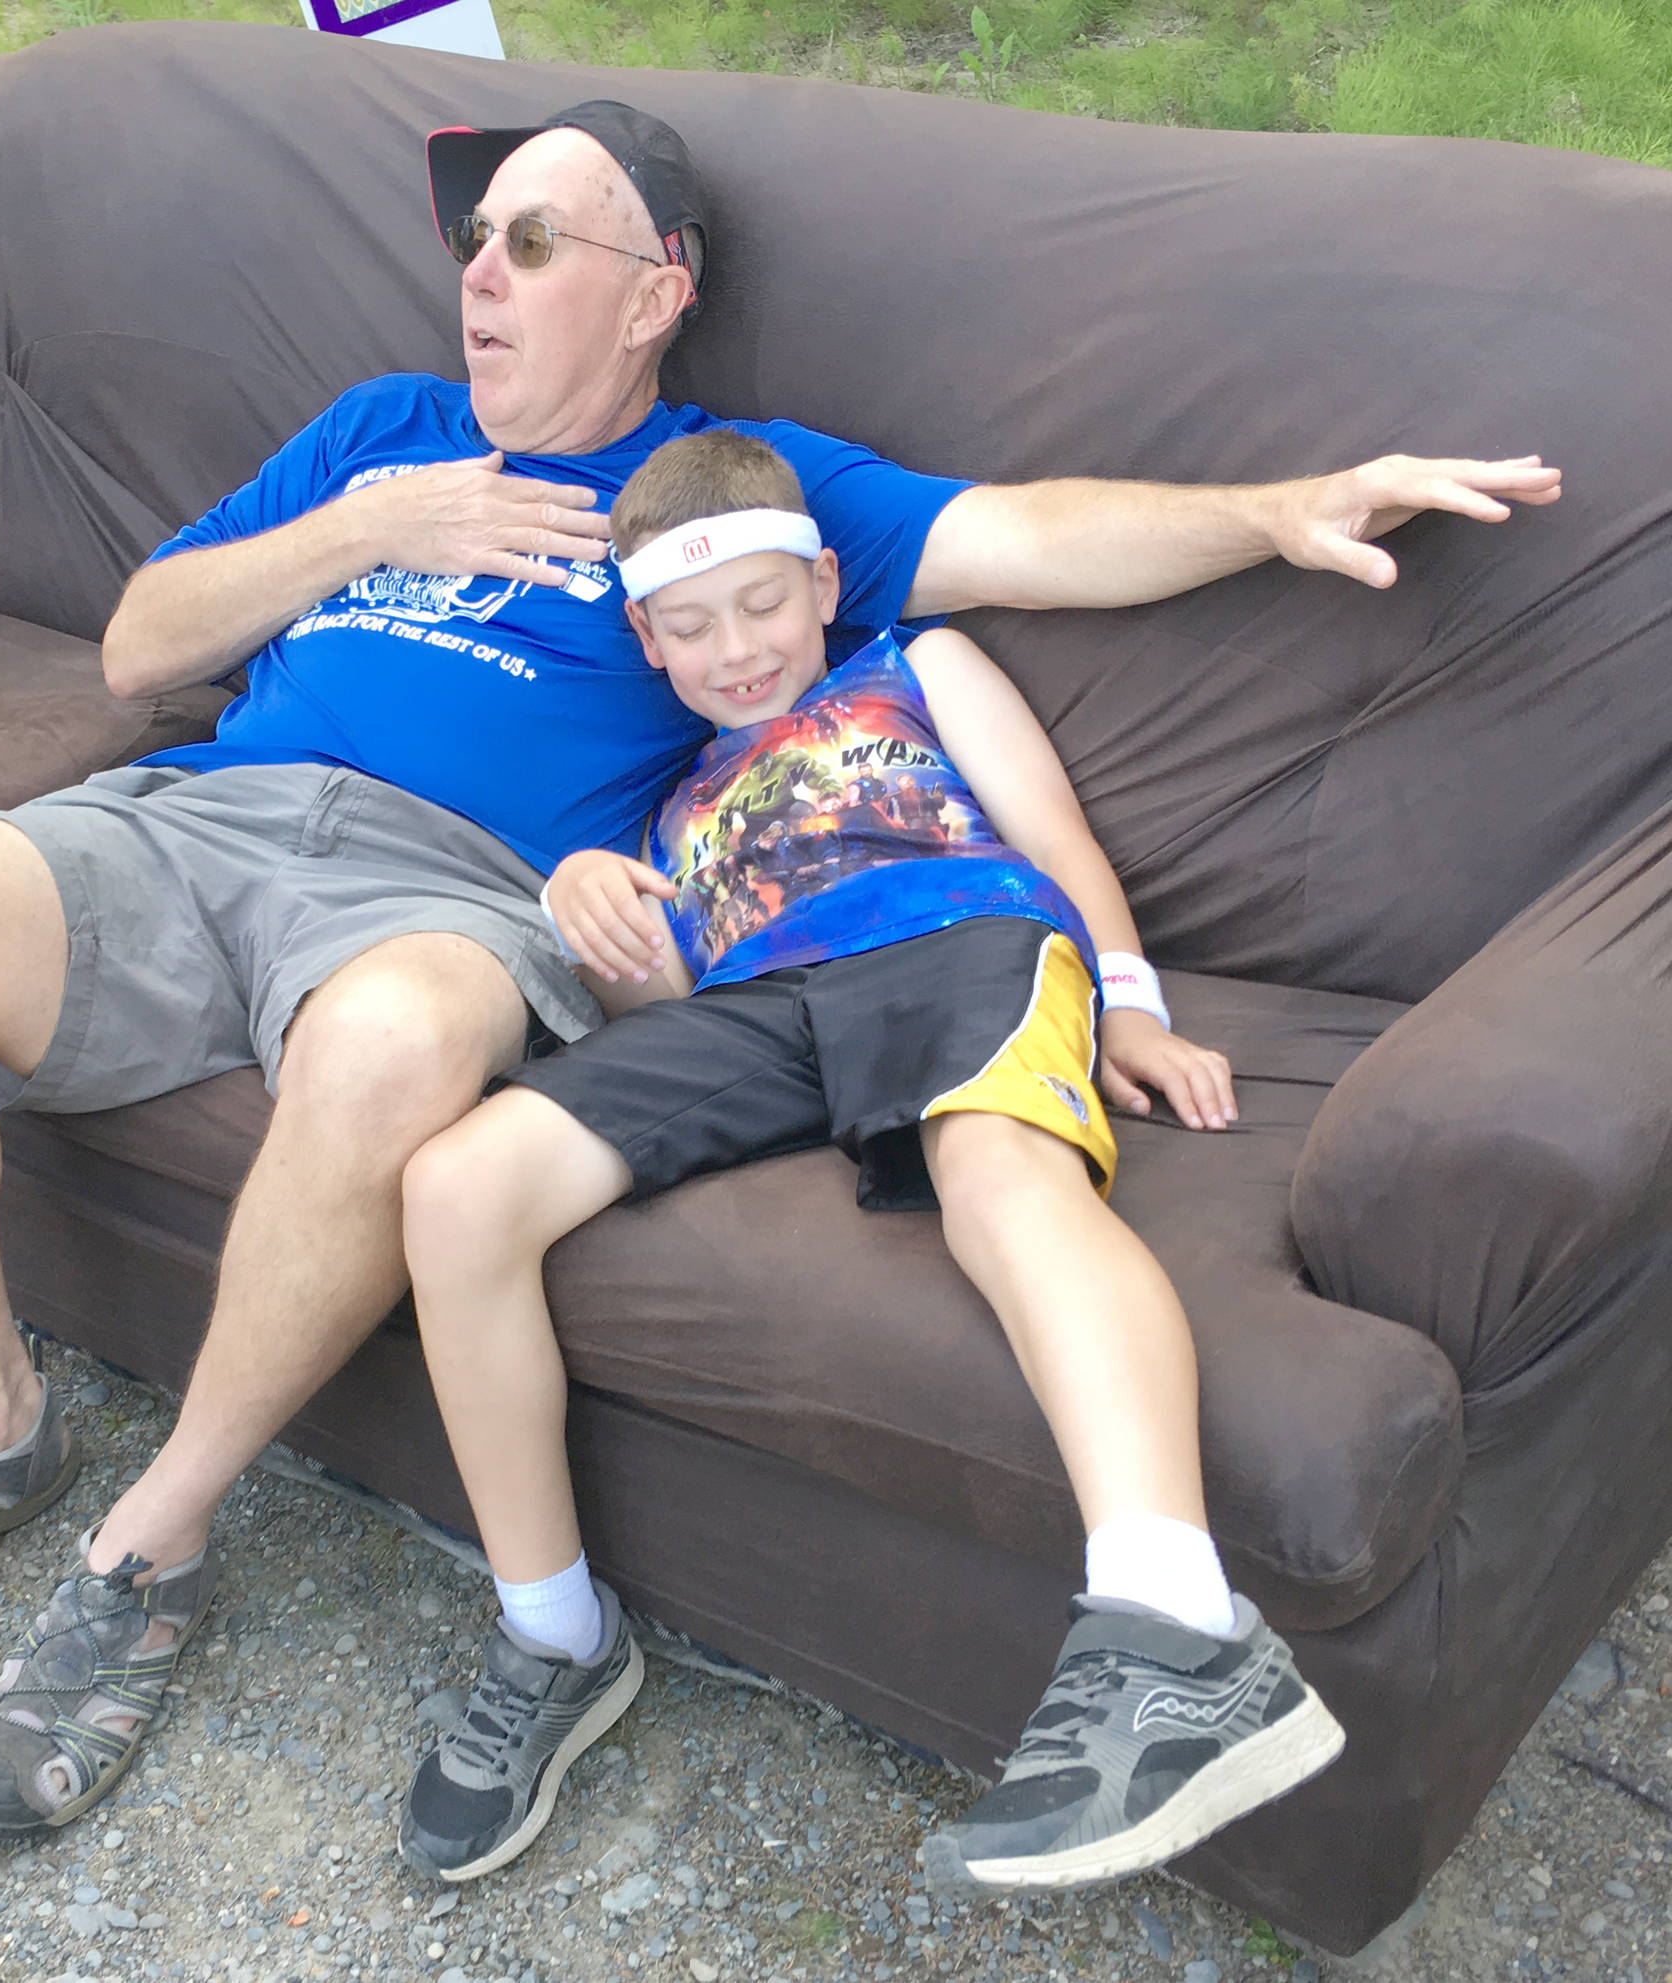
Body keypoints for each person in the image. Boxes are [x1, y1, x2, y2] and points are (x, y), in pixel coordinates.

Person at [0, 78, 1561, 1841]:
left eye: (533, 239)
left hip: (447, 894)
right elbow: (143, 647)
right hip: (198, 811)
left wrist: (1277, 508)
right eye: (473, 237)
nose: (480, 273)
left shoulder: (718, 498)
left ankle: (148, 1545)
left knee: (394, 1054)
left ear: (657, 289)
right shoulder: (380, 431)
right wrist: (379, 526)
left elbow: (1027, 535)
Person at [395, 429, 1346, 1890]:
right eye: (693, 628)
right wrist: (583, 900)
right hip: (762, 1006)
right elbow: (674, 987)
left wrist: (1131, 1002)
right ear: (646, 640)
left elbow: (1055, 831)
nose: (737, 651)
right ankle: (553, 1628)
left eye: (766, 605)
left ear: (824, 582)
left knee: (996, 1167)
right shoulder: (669, 803)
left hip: (957, 934)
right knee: (458, 1185)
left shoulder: (916, 663)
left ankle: (1177, 1629)